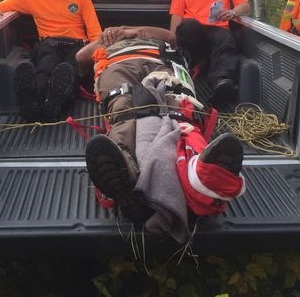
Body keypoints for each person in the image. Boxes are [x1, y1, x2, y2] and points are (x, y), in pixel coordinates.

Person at [76, 25, 245, 243]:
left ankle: (197, 166)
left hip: (160, 63)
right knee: (123, 109)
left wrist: (131, 31)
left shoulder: (152, 36)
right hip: (117, 65)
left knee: (178, 107)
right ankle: (126, 166)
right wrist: (104, 39)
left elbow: (172, 37)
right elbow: (81, 57)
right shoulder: (105, 43)